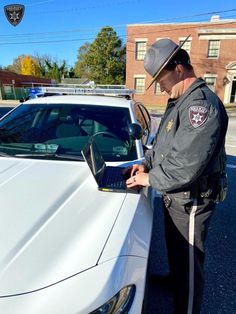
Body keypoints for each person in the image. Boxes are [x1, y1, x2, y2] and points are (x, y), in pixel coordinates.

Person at [126, 37, 228, 314]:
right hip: (176, 196)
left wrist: (150, 180)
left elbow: (187, 164)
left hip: (192, 200)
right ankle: (175, 282)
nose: (160, 84)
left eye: (162, 77)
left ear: (180, 69)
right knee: (177, 253)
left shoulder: (200, 106)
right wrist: (145, 164)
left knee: (190, 264)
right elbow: (161, 146)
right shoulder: (179, 101)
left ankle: (187, 305)